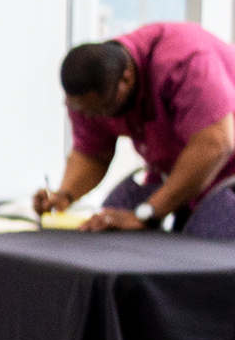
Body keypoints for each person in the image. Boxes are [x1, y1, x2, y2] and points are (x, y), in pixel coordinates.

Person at [34, 25, 235, 231]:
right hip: (186, 178)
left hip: (226, 174)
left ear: (126, 79)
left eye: (102, 110)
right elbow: (93, 154)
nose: (91, 118)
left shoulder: (184, 62)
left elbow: (216, 145)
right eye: (80, 110)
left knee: (210, 238)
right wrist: (64, 195)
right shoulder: (92, 92)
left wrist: (146, 213)